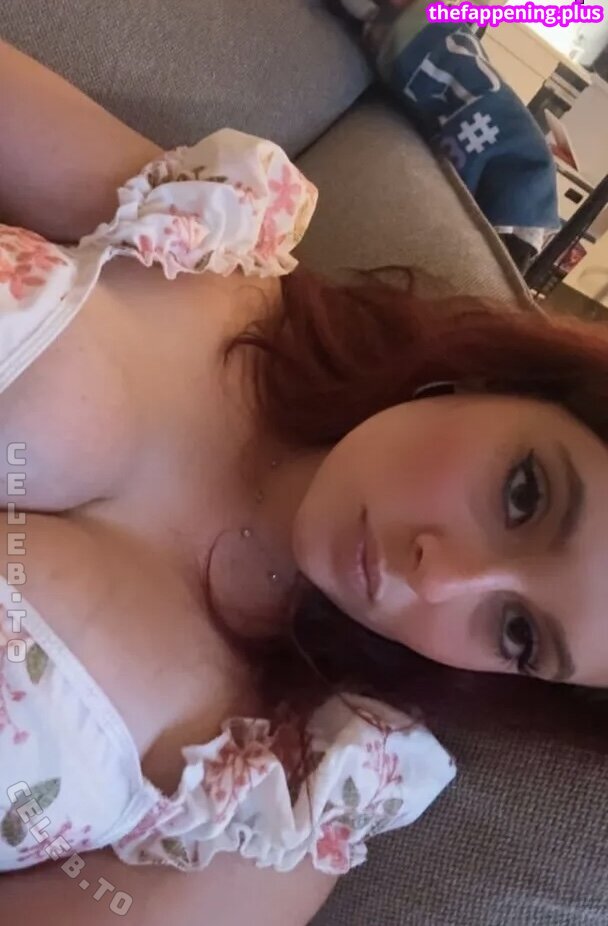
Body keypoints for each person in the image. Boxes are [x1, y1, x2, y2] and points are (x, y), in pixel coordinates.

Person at [1, 38, 607, 925]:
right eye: (525, 496)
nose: (439, 574)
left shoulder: (285, 798)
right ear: (511, 383)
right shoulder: (214, 237)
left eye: (518, 633)